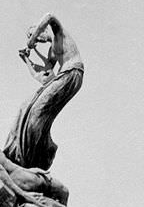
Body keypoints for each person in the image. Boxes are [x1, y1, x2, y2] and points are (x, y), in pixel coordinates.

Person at [5, 13, 84, 171]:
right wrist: (27, 60)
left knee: (37, 110)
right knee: (33, 109)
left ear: (41, 30)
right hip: (65, 76)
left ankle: (34, 155)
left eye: (35, 33)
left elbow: (50, 16)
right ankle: (40, 153)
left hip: (72, 72)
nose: (37, 39)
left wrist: (31, 38)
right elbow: (45, 76)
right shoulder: (52, 52)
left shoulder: (59, 34)